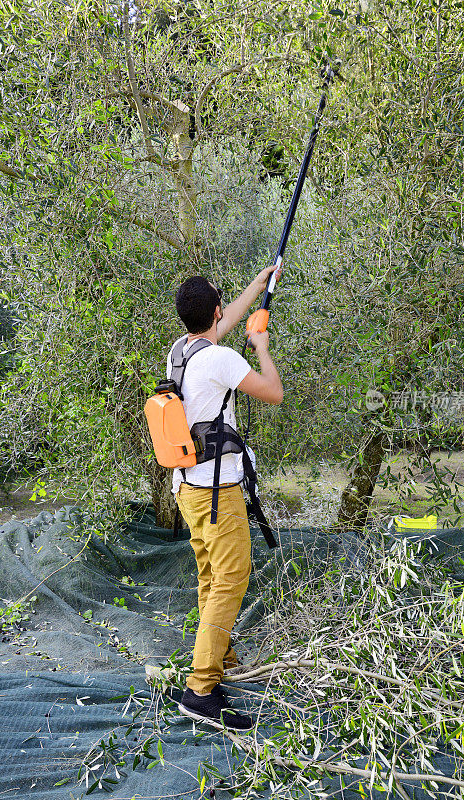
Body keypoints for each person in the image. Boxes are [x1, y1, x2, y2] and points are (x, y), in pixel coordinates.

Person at [169, 267, 283, 731]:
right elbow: (273, 392)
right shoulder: (220, 360)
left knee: (213, 575)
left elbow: (221, 323)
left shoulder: (183, 349)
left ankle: (221, 656)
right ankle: (201, 690)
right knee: (232, 577)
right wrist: (262, 350)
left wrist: (257, 288)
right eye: (223, 306)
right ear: (215, 313)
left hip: (187, 488)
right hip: (218, 494)